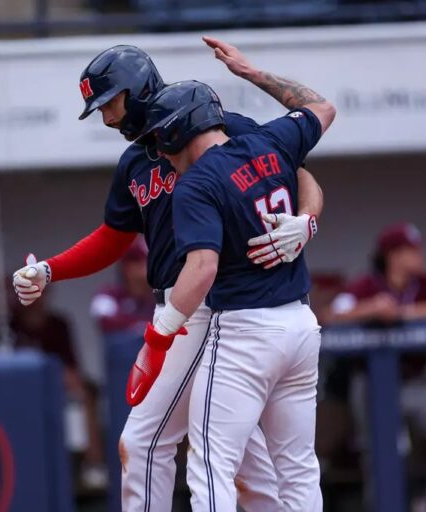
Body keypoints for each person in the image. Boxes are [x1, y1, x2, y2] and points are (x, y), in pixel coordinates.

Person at [12, 42, 325, 511]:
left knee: (148, 443)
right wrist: (51, 268)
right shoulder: (135, 163)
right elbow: (114, 236)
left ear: (136, 91)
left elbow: (297, 173)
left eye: (109, 103)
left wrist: (308, 220)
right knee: (247, 465)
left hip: (211, 305)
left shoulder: (216, 127)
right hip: (200, 305)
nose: (107, 119)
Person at [135, 46, 335, 508]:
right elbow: (322, 107)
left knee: (211, 467)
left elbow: (201, 268)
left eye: (160, 141)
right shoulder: (270, 141)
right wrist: (251, 72)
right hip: (301, 327)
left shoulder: (196, 183)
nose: (160, 156)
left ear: (177, 131)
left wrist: (159, 334)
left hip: (245, 331)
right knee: (299, 466)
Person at [329, 223, 426, 512]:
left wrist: (406, 313)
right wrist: (370, 309)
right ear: (393, 255)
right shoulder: (367, 285)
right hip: (372, 384)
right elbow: (330, 315)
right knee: (378, 456)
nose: (420, 255)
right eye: (412, 250)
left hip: (415, 383)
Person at [10, 293, 109, 490]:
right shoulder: (8, 325)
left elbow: (71, 367)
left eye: (39, 292)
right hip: (22, 390)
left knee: (84, 394)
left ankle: (93, 464)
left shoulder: (58, 324)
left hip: (57, 386)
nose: (34, 298)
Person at [90, 237, 155, 335]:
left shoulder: (161, 296)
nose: (151, 266)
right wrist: (142, 326)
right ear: (128, 266)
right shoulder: (108, 294)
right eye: (142, 261)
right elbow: (105, 319)